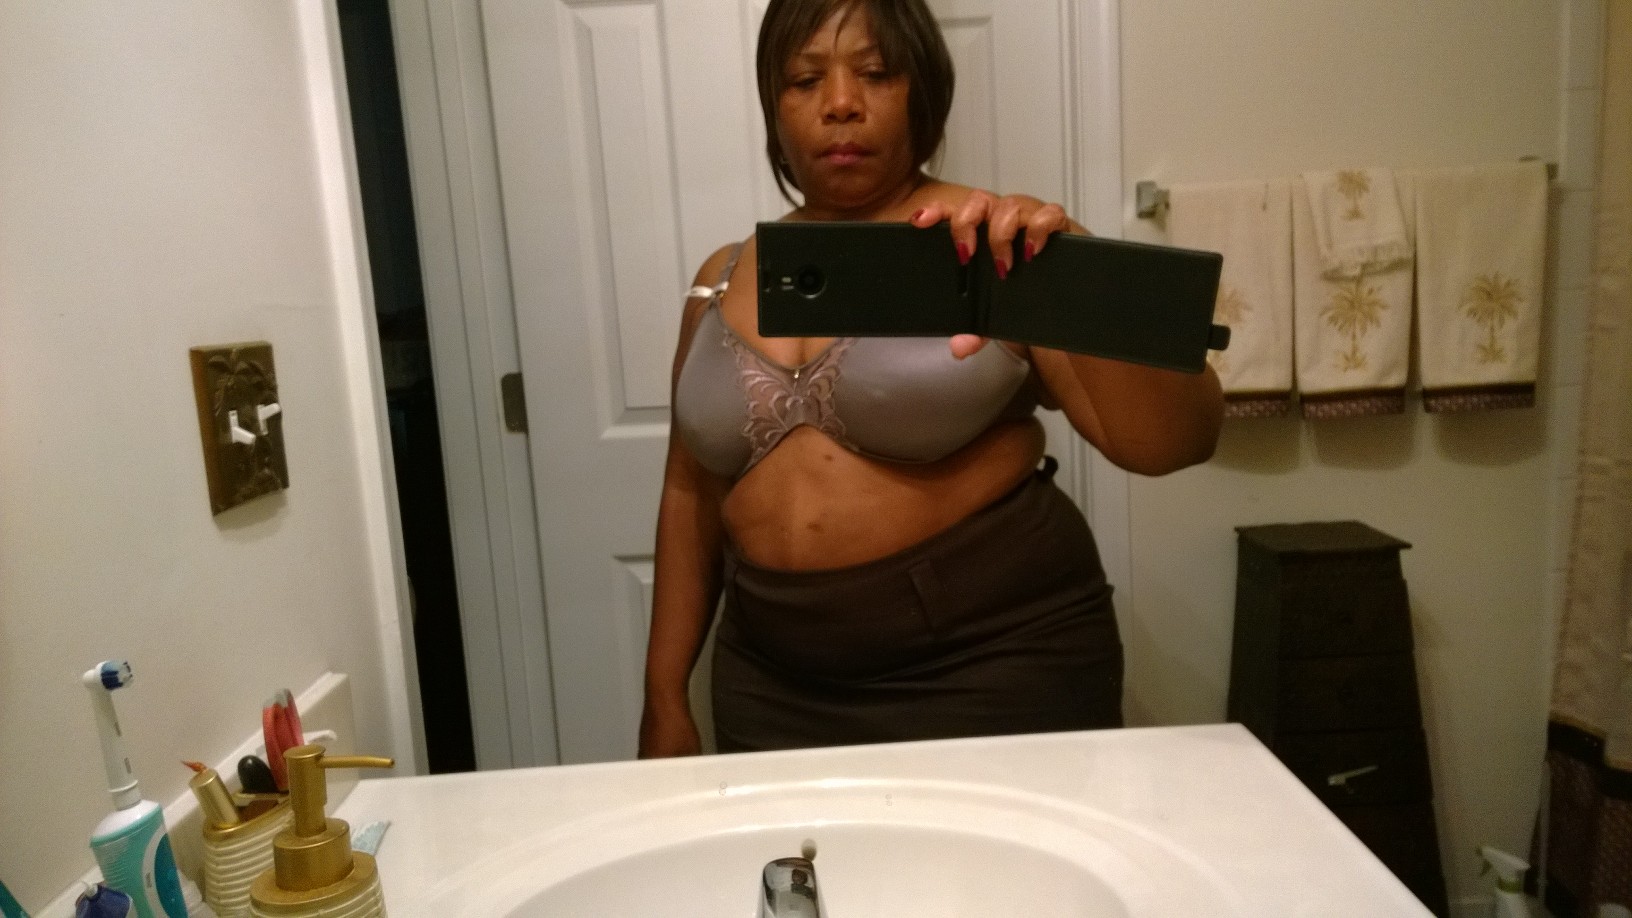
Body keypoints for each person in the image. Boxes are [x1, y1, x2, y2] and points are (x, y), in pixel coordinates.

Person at [639, 0, 1222, 758]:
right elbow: (687, 491)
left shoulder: (994, 245)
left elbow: (1175, 442)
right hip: (773, 681)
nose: (840, 103)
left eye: (876, 73)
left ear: (923, 88)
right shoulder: (721, 276)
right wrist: (663, 697)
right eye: (805, 80)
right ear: (773, 106)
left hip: (993, 662)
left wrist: (1074, 272)